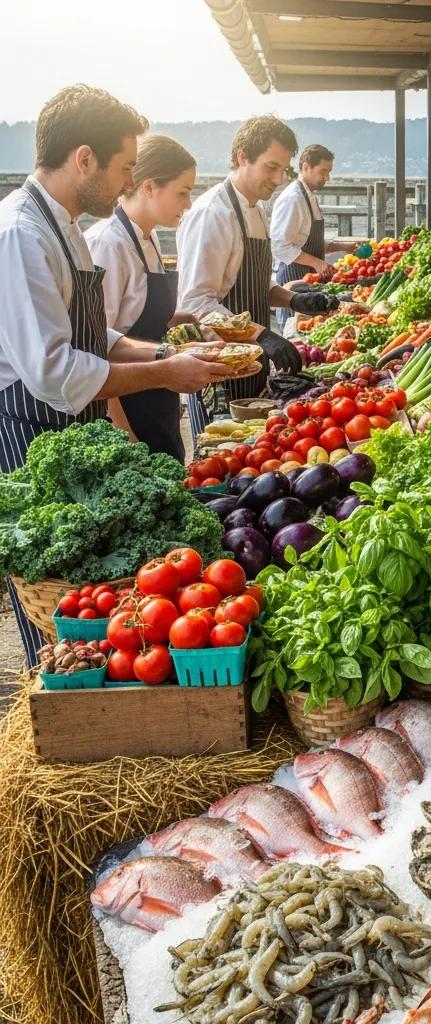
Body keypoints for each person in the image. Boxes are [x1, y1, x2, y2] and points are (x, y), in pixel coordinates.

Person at [0, 85, 240, 657]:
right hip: (30, 430)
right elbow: (55, 370)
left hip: (72, 428)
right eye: (123, 168)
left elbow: (92, 335)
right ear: (84, 159)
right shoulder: (21, 234)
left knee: (89, 609)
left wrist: (161, 356)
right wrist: (163, 374)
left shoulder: (63, 226)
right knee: (54, 618)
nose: (127, 182)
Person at [177, 115, 336, 437]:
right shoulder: (213, 214)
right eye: (270, 167)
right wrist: (261, 335)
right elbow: (196, 302)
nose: (278, 179)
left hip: (250, 363)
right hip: (218, 368)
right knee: (219, 461)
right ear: (242, 157)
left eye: (283, 170)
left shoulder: (256, 209)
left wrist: (293, 299)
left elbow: (251, 282)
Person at [85, 134, 209, 460]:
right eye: (182, 192)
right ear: (149, 187)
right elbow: (97, 348)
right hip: (129, 408)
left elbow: (137, 315)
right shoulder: (108, 245)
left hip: (160, 395)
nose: (189, 204)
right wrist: (125, 435)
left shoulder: (148, 236)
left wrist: (182, 319)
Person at [270, 143, 353, 285]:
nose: (327, 177)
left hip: (309, 279)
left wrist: (343, 246)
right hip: (293, 279)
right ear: (305, 167)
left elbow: (308, 242)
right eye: (323, 172)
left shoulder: (309, 196)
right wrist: (317, 263)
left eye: (329, 172)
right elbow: (279, 247)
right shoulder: (293, 199)